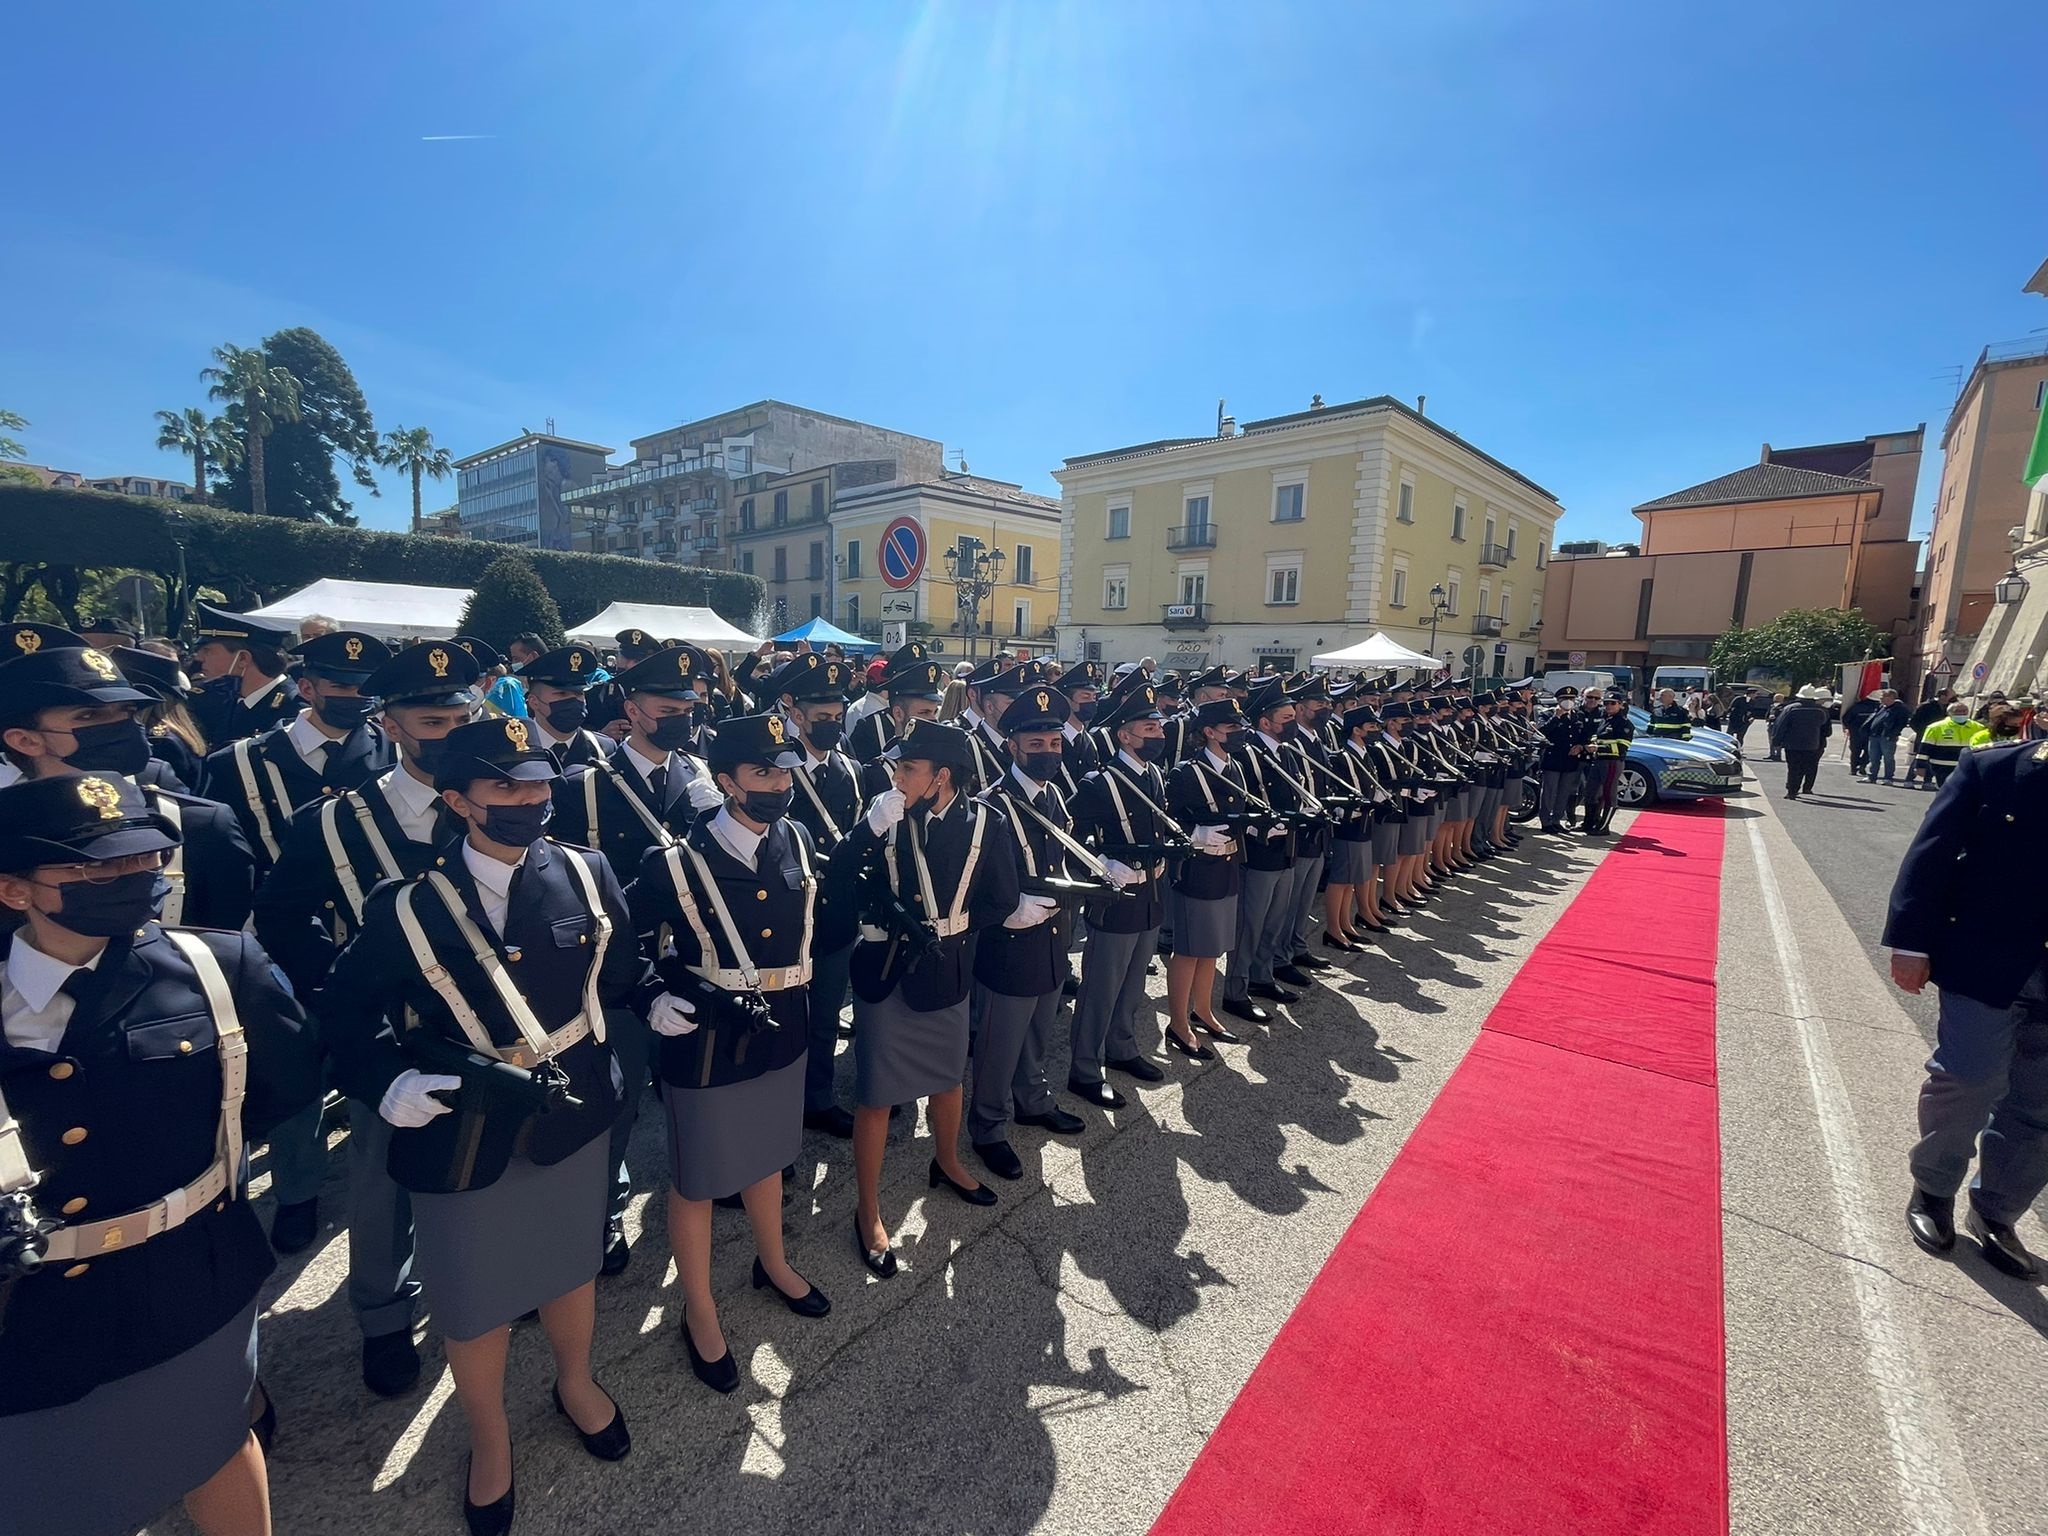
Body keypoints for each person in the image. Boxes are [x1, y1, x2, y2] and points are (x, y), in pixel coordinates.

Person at [320, 718, 648, 1533]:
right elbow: (342, 1013)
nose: (531, 800)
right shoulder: (404, 907)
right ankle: (490, 1435)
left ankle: (574, 1381)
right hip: (463, 1128)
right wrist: (384, 1080)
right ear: (458, 797)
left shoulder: (586, 871)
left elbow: (625, 972)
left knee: (570, 1267)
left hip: (570, 1111)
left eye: (538, 784)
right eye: (507, 787)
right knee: (474, 1298)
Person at [0, 771, 321, 1536]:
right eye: (90, 868)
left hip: (188, 1262)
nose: (126, 879)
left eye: (141, 860)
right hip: (28, 1306)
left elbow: (286, 1083)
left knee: (212, 1442)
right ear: (15, 890)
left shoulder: (216, 967)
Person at [251, 639, 483, 1396]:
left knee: (493, 1167)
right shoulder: (335, 821)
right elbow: (283, 919)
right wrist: (341, 992)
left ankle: (488, 1287)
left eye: (461, 712)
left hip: (491, 1027)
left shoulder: (500, 803)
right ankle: (384, 1317)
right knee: (381, 1187)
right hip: (390, 1038)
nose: (448, 728)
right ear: (388, 722)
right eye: (430, 716)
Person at [626, 713, 832, 1396]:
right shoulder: (677, 861)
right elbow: (618, 941)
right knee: (700, 1182)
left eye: (783, 771)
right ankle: (700, 1308)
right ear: (725, 781)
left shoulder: (795, 837)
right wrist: (651, 994)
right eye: (761, 773)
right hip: (709, 1037)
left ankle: (772, 1262)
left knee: (770, 1156)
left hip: (783, 1027)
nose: (778, 784)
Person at [836, 720, 1014, 1276]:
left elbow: (1002, 897)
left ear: (940, 777)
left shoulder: (986, 822)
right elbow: (837, 879)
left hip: (946, 967)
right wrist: (865, 831)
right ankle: (867, 1209)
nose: (895, 776)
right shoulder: (884, 816)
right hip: (888, 970)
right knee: (877, 1094)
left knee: (946, 1077)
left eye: (907, 768)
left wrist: (953, 927)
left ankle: (948, 1161)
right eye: (895, 767)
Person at [1884, 738, 2048, 1280]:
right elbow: (1932, 850)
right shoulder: (1996, 766)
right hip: (1986, 958)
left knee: (2038, 1106)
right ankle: (1933, 1188)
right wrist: (1910, 941)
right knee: (1970, 1076)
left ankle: (1996, 1212)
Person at [0, 643, 256, 932]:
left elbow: (227, 947)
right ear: (25, 741)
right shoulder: (7, 828)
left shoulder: (200, 825)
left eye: (128, 710)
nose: (121, 724)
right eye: (89, 715)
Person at [967, 674, 1088, 1179]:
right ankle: (988, 1125)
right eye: (1035, 743)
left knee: (1041, 1024)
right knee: (1000, 1041)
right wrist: (1007, 910)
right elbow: (971, 884)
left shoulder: (1054, 797)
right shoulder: (991, 804)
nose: (1047, 751)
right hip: (1009, 942)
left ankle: (1033, 1100)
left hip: (1052, 935)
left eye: (1054, 742)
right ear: (1012, 745)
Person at [765, 653, 863, 1137]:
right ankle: (775, 1111)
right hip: (786, 917)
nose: (831, 724)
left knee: (826, 1014)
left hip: (837, 915)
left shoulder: (848, 770)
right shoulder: (772, 769)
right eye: (820, 717)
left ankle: (818, 1099)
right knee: (781, 1023)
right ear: (792, 710)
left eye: (837, 716)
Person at [1065, 683, 1174, 1106]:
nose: (1157, 735)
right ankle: (1085, 1068)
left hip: (1150, 891)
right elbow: (1072, 838)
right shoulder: (1099, 782)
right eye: (1148, 728)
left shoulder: (1154, 775)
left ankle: (1123, 1046)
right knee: (1101, 985)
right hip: (1117, 894)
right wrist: (1102, 865)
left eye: (1158, 728)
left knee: (1134, 981)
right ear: (1124, 735)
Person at [1162, 698, 1251, 1052]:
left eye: (1239, 728)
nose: (1238, 734)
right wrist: (1196, 834)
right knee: (1188, 950)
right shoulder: (1187, 772)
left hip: (1226, 867)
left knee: (1211, 949)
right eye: (1231, 729)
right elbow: (1169, 819)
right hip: (1197, 870)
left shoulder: (1235, 767)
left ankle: (1203, 1010)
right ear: (1209, 732)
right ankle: (1178, 1023)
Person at [1220, 680, 1309, 1022]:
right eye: (1286, 717)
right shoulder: (1246, 754)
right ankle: (1236, 990)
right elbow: (1239, 802)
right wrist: (1259, 827)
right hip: (1259, 850)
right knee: (1250, 925)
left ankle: (1262, 976)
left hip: (1286, 847)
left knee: (1274, 920)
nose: (1292, 722)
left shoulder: (1286, 751)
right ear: (1266, 722)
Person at [187, 603, 299, 748]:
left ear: (243, 659)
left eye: (208, 651)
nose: (199, 658)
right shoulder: (229, 701)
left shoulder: (294, 708)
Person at [513, 644, 611, 769]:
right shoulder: (512, 749)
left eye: (579, 693)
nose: (573, 700)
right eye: (561, 693)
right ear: (534, 702)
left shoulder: (603, 748)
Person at [1537, 687, 1591, 829]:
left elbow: (1585, 735)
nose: (1568, 702)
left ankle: (1557, 820)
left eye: (1571, 699)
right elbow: (1542, 732)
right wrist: (1556, 717)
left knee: (1564, 792)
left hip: (1570, 760)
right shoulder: (1547, 714)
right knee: (1550, 792)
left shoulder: (1578, 715)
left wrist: (1580, 746)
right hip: (1552, 759)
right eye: (1564, 699)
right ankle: (1546, 821)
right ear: (1558, 700)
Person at [1582, 692, 1634, 834]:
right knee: (1590, 792)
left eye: (1613, 703)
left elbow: (1623, 746)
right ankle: (1588, 823)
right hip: (1598, 760)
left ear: (1621, 705)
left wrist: (1598, 747)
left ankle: (1603, 827)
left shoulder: (1624, 723)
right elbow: (1596, 736)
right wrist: (1593, 744)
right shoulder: (1605, 719)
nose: (1608, 706)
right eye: (1606, 703)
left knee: (1608, 795)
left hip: (1612, 762)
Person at [1769, 684, 1833, 799]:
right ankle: (1801, 787)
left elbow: (1780, 725)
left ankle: (1792, 791)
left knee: (1793, 768)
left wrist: (1776, 741)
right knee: (1805, 767)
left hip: (1792, 744)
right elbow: (1826, 731)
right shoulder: (1821, 710)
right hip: (1812, 745)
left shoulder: (1791, 708)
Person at [1917, 698, 1988, 789]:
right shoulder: (1935, 727)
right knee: (1945, 791)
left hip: (1967, 766)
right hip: (1942, 767)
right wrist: (1920, 766)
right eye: (1958, 711)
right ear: (1949, 713)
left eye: (1964, 711)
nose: (1962, 713)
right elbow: (1925, 747)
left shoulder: (1978, 728)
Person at [1907, 688, 1955, 787]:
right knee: (1919, 758)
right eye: (1950, 696)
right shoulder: (1926, 706)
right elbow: (1913, 722)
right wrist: (1923, 732)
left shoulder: (1949, 707)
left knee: (1933, 760)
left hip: (1940, 739)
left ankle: (1927, 781)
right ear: (1943, 696)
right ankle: (1909, 780)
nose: (1952, 698)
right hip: (1925, 737)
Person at [1863, 689, 1910, 784]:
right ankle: (1871, 776)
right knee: (1873, 757)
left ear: (1891, 698)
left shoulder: (1899, 709)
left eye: (1883, 696)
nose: (1881, 698)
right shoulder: (1881, 707)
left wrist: (1893, 734)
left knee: (1888, 758)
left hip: (1888, 737)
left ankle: (1888, 778)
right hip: (1874, 735)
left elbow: (1901, 724)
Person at [1843, 690, 1881, 778]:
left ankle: (1853, 769)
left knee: (1855, 751)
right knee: (1868, 752)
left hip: (1856, 733)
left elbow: (1846, 718)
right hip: (1870, 733)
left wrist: (1849, 728)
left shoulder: (1857, 706)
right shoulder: (1879, 708)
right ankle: (1862, 767)